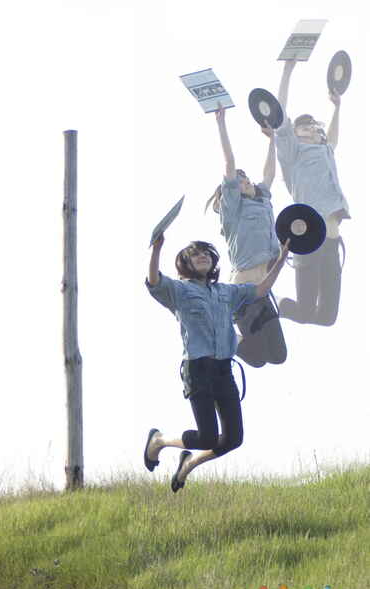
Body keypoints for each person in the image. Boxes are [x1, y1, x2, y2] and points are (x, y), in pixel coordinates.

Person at [143, 231, 289, 492]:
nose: (201, 256)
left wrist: (282, 258)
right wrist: (156, 250)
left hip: (224, 371)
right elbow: (154, 282)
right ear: (185, 263)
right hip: (198, 369)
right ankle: (158, 440)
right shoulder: (180, 290)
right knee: (207, 436)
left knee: (233, 439)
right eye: (194, 254)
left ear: (213, 261)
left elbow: (261, 289)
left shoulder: (227, 292)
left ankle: (187, 465)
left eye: (205, 253)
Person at [205, 103, 287, 367]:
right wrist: (221, 124)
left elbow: (270, 174)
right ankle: (219, 333)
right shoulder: (232, 211)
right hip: (242, 288)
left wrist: (272, 140)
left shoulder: (262, 201)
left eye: (245, 178)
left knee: (277, 356)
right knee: (257, 359)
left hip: (264, 288)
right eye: (239, 181)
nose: (246, 181)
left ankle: (226, 333)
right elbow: (230, 163)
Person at [274, 59, 349, 326]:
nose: (313, 130)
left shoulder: (325, 149)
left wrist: (337, 108)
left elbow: (333, 137)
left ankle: (278, 306)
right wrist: (288, 70)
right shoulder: (292, 153)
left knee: (327, 318)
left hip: (332, 239)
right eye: (305, 128)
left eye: (315, 127)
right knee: (305, 311)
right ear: (295, 134)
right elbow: (279, 118)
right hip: (308, 235)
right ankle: (275, 305)